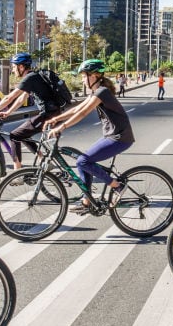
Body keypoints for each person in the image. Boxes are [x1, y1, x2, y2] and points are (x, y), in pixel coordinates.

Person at [44, 59, 133, 214]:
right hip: (111, 135)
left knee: (83, 161)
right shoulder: (97, 92)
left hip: (119, 137)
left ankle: (117, 186)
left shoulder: (102, 92)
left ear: (94, 76)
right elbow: (78, 108)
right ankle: (87, 202)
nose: (82, 79)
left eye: (84, 76)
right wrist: (56, 119)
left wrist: (62, 127)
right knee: (82, 162)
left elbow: (83, 113)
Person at [0, 52, 63, 169]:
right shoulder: (33, 77)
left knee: (15, 135)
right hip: (52, 112)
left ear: (21, 67)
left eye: (14, 67)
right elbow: (21, 98)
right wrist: (8, 113)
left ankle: (17, 171)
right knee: (22, 134)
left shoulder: (30, 78)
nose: (13, 70)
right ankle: (43, 160)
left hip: (49, 115)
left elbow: (10, 97)